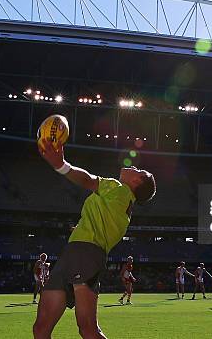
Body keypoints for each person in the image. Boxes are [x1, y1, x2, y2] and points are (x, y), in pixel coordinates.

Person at [33, 138, 156, 339]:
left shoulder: (118, 189)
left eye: (139, 171)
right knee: (43, 328)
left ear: (136, 182)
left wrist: (61, 165)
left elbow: (88, 180)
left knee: (87, 329)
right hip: (78, 253)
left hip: (84, 253)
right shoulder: (122, 205)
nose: (133, 166)